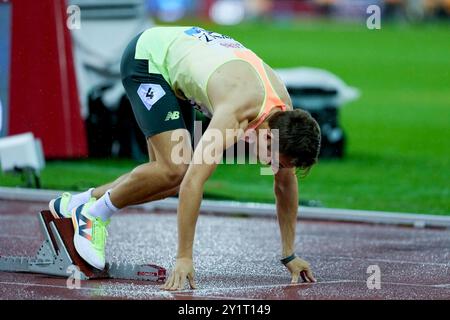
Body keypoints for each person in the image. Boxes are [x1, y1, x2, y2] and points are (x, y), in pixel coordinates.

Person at [49, 26, 321, 290]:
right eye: (279, 162)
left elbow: (285, 185)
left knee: (167, 175)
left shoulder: (284, 117)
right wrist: (184, 258)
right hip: (148, 59)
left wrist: (289, 254)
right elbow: (194, 181)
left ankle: (77, 202)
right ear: (270, 139)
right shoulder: (236, 113)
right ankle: (93, 214)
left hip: (181, 65)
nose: (275, 168)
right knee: (177, 170)